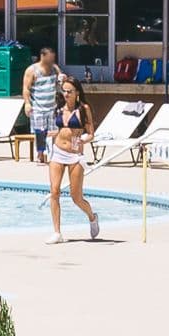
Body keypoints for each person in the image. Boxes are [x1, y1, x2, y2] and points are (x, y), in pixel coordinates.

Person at [43, 98, 100, 242]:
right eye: (65, 91)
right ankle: (57, 233)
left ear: (76, 93)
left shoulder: (83, 109)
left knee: (76, 197)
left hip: (74, 154)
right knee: (54, 191)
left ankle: (92, 217)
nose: (66, 94)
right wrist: (53, 133)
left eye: (70, 91)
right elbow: (59, 128)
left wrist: (84, 140)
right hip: (57, 152)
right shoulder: (59, 107)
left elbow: (91, 133)